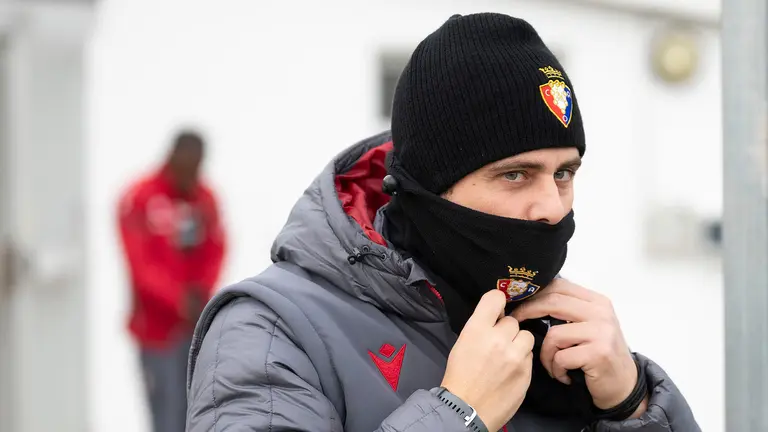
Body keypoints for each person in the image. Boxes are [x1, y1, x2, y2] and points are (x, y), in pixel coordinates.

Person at [186, 14, 699, 432]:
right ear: (429, 188)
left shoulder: (559, 336)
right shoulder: (270, 332)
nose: (552, 207)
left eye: (564, 173)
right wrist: (458, 415)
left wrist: (631, 407)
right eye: (516, 174)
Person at [117, 130, 226, 432]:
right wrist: (178, 300)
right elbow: (140, 265)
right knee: (164, 414)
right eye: (186, 166)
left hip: (193, 329)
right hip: (155, 331)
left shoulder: (205, 198)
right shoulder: (140, 197)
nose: (191, 175)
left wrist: (202, 291)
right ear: (172, 157)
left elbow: (217, 248)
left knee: (195, 410)